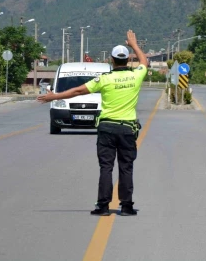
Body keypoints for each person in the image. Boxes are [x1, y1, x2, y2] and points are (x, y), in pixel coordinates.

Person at [37, 30, 148, 216]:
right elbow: (145, 62)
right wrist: (134, 44)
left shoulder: (104, 79)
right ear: (128, 60)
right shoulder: (136, 76)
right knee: (126, 167)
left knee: (106, 167)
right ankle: (126, 206)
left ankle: (103, 206)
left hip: (106, 129)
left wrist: (54, 97)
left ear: (112, 60)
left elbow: (77, 92)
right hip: (128, 129)